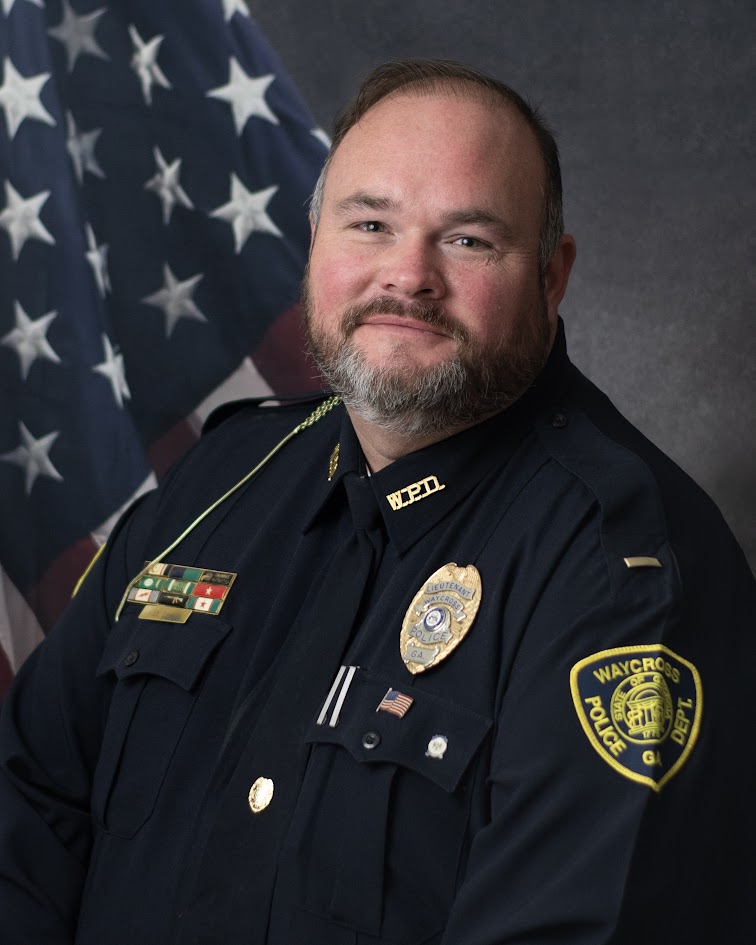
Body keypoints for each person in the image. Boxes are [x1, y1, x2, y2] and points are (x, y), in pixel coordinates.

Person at [0, 58, 753, 945]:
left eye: (467, 239)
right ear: (314, 241)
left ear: (551, 278)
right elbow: (27, 809)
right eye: (370, 224)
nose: (408, 275)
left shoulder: (625, 575)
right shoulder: (220, 479)